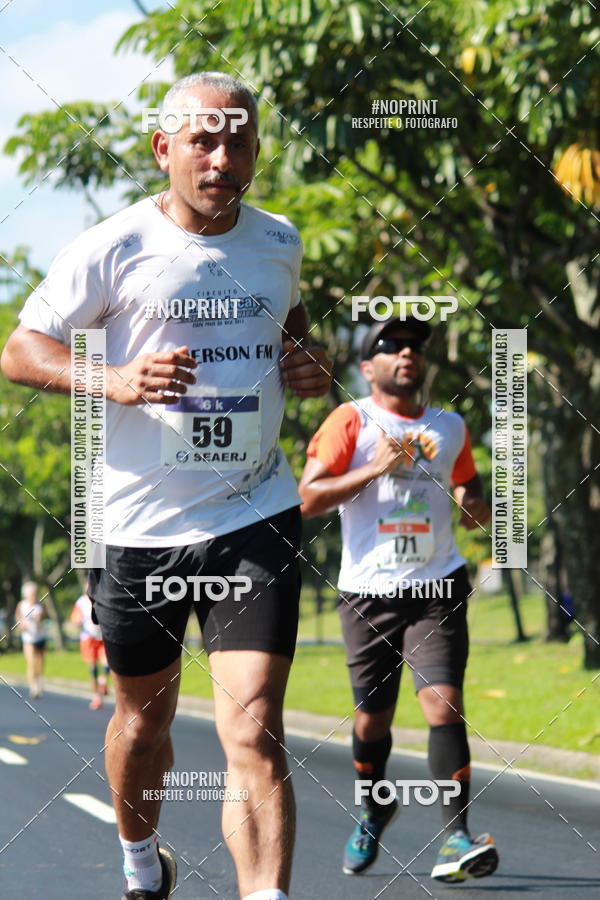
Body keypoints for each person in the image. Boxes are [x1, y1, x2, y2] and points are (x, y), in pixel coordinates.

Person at [1, 71, 332, 900]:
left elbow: (292, 329)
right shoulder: (112, 247)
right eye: (202, 140)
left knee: (254, 726)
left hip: (255, 510)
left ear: (257, 146)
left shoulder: (280, 240)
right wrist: (111, 379)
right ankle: (142, 864)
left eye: (239, 138)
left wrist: (307, 365)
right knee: (142, 726)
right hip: (141, 524)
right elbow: (19, 351)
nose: (222, 156)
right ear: (164, 149)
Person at [299, 316, 499, 884]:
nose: (406, 353)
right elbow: (308, 497)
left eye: (414, 346)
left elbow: (469, 488)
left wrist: (474, 505)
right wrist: (377, 466)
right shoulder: (351, 420)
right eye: (391, 346)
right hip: (368, 593)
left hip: (437, 586)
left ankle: (456, 835)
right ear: (368, 367)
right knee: (372, 721)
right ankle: (373, 806)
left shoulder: (451, 426)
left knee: (443, 704)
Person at [70, 592, 110, 709]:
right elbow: (74, 617)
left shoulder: (103, 598)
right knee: (93, 668)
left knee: (107, 664)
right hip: (88, 638)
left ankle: (102, 682)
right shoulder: (81, 602)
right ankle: (96, 696)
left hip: (102, 637)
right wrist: (76, 620)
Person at [15, 581, 47, 699]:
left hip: (39, 636)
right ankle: (33, 686)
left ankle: (39, 679)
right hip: (28, 638)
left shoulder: (40, 605)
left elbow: (44, 618)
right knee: (31, 662)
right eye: (31, 594)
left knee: (40, 663)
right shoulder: (21, 605)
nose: (33, 596)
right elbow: (18, 619)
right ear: (26, 595)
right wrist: (21, 625)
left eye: (35, 594)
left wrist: (40, 620)